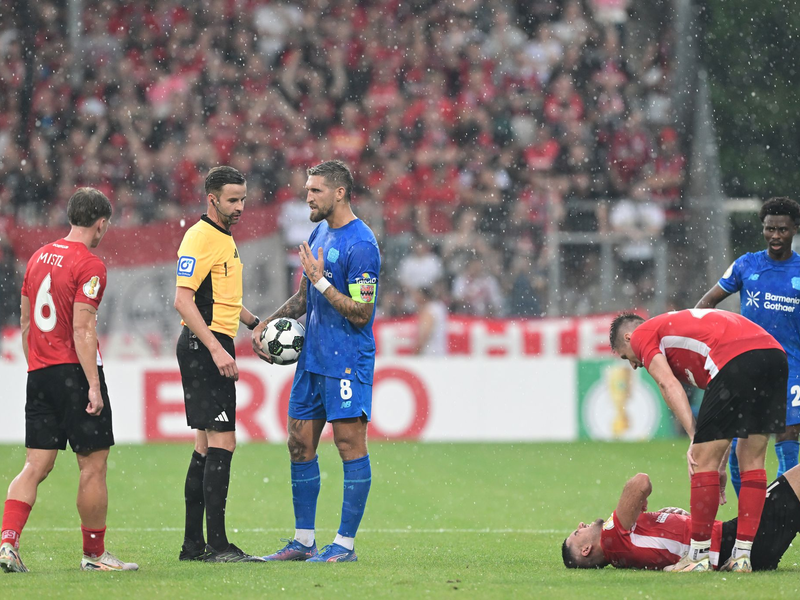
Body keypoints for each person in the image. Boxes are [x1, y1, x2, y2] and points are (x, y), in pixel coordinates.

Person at [0, 187, 138, 573]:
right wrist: (92, 385)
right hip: (74, 372)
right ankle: (94, 555)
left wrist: (37, 367)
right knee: (92, 466)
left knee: (34, 465)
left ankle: (7, 544)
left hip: (39, 371)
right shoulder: (90, 264)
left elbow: (25, 320)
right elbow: (82, 328)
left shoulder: (37, 257)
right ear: (101, 223)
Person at [252, 160, 380, 563]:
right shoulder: (319, 232)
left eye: (315, 190)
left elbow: (362, 313)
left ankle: (344, 545)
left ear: (339, 193)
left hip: (347, 361)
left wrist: (322, 281)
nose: (307, 197)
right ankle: (303, 540)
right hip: (312, 359)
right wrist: (267, 325)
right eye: (307, 189)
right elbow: (306, 297)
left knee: (348, 444)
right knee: (299, 443)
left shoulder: (362, 244)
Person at [608, 310, 788, 572]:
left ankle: (698, 557)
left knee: (701, 461)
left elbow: (667, 384)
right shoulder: (679, 336)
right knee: (752, 458)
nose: (633, 365)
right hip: (774, 356)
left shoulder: (641, 335)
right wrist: (720, 463)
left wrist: (696, 436)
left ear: (628, 337)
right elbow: (730, 418)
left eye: (626, 357)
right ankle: (742, 557)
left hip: (735, 357)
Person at [174, 166, 264, 563]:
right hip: (204, 345)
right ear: (212, 199)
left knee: (205, 445)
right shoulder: (200, 237)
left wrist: (255, 324)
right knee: (223, 442)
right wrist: (215, 348)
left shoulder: (223, 237)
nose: (240, 206)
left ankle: (193, 545)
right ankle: (219, 545)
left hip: (212, 341)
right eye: (232, 200)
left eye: (243, 199)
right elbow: (183, 300)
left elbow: (221, 298)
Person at [695, 197, 800, 494]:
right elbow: (706, 304)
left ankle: (784, 509)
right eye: (769, 229)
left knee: (788, 436)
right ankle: (750, 513)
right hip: (748, 366)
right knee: (741, 441)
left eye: (782, 229)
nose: (775, 236)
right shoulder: (746, 264)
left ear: (795, 229)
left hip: (791, 366)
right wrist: (708, 342)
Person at [561, 466, 800, 571]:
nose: (580, 525)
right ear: (586, 550)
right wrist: (637, 502)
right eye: (577, 532)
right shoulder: (611, 538)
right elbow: (641, 482)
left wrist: (664, 516)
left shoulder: (622, 548)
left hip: (735, 544)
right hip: (736, 545)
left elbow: (661, 542)